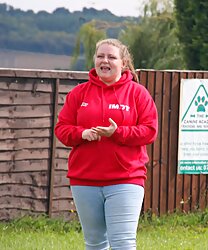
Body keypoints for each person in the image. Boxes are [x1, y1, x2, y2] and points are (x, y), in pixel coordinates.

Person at [55, 38, 158, 250]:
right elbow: (62, 129)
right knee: (94, 243)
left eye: (111, 57)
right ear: (94, 59)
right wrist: (81, 133)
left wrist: (117, 132)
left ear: (123, 62)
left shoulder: (138, 93)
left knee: (123, 243)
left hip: (126, 179)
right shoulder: (78, 93)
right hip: (84, 180)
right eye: (100, 56)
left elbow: (150, 131)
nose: (105, 60)